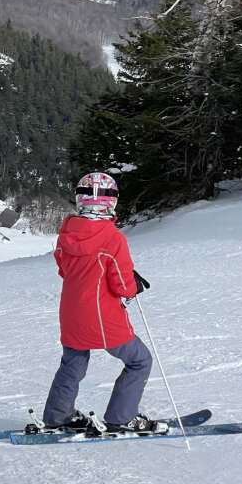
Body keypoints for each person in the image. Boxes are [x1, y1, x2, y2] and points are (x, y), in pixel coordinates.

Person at [42, 172, 168, 434]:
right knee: (139, 361)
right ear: (111, 202)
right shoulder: (112, 238)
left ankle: (57, 416)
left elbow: (65, 269)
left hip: (72, 315)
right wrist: (134, 285)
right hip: (103, 318)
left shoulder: (66, 235)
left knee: (73, 362)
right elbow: (122, 286)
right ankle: (121, 417)